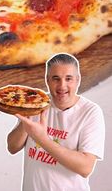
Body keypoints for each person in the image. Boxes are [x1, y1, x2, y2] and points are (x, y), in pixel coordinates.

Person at [7, 53, 105, 191]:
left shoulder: (90, 112)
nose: (62, 86)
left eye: (68, 79)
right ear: (47, 80)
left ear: (78, 80)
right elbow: (12, 147)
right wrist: (26, 119)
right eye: (56, 79)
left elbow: (85, 167)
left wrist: (42, 139)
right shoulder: (37, 103)